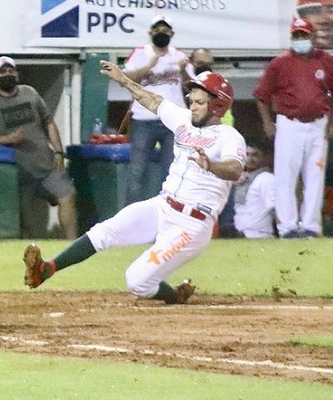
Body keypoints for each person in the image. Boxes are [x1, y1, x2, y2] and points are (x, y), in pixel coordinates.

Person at [22, 61, 246, 305]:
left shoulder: (229, 137)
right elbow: (152, 100)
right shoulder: (183, 119)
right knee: (103, 231)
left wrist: (211, 166)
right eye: (192, 100)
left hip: (191, 225)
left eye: (200, 102)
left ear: (217, 106)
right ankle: (47, 269)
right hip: (162, 206)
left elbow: (235, 169)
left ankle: (175, 295)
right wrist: (124, 81)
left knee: (137, 280)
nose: (192, 106)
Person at [0, 56, 78, 240]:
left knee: (67, 196)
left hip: (46, 166)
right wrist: (8, 139)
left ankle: (72, 243)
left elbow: (49, 122)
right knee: (25, 223)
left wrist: (59, 151)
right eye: (2, 72)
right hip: (17, 173)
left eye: (11, 71)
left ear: (17, 74)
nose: (7, 75)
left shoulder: (30, 93)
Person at [254, 17, 333, 239]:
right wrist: (268, 123)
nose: (300, 39)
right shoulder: (280, 63)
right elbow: (262, 95)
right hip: (289, 125)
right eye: (297, 35)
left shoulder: (325, 61)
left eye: (304, 35)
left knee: (315, 177)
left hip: (318, 125)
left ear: (312, 36)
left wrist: (331, 122)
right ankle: (287, 227)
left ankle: (310, 226)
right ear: (291, 37)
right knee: (285, 178)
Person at [122, 15, 190, 204]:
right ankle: (131, 217)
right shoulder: (140, 52)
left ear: (172, 34)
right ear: (150, 33)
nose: (162, 33)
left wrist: (184, 71)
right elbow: (125, 80)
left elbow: (191, 88)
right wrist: (149, 66)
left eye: (166, 30)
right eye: (158, 30)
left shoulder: (179, 56)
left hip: (173, 119)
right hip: (144, 118)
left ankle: (168, 213)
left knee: (172, 170)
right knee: (137, 170)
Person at [218, 140, 276, 239]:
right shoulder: (237, 179)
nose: (249, 159)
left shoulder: (267, 178)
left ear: (264, 157)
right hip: (236, 233)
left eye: (255, 155)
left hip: (259, 234)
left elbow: (275, 209)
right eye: (247, 154)